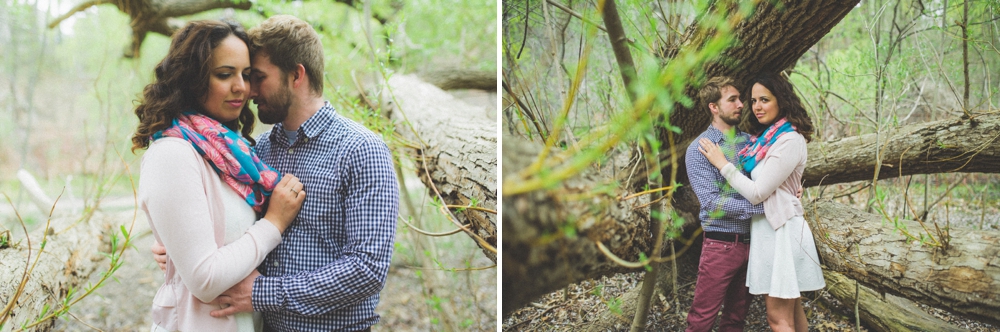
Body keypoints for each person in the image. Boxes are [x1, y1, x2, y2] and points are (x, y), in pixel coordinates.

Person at [152, 15, 398, 331]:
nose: (249, 91)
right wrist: (180, 248)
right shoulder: (258, 150)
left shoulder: (362, 150)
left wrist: (263, 293)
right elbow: (232, 228)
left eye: (257, 77)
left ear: (296, 75)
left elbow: (367, 269)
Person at [132, 20, 306, 331]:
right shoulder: (173, 154)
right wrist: (274, 223)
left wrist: (176, 253)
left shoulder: (232, 156)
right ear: (191, 80)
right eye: (224, 74)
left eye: (246, 75)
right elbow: (205, 279)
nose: (242, 87)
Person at [698, 72, 825, 332]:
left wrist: (722, 163)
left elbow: (758, 193)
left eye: (764, 99)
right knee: (793, 313)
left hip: (781, 231)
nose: (756, 106)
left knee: (778, 319)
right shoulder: (767, 139)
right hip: (771, 230)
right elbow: (776, 181)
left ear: (781, 101)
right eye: (754, 100)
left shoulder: (789, 139)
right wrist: (791, 190)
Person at [684, 76, 765, 332]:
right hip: (721, 245)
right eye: (732, 100)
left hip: (754, 243)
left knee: (735, 318)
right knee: (701, 319)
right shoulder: (699, 149)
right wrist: (760, 208)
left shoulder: (751, 143)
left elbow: (765, 185)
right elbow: (711, 201)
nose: (741, 104)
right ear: (714, 107)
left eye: (741, 99)